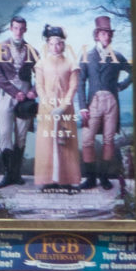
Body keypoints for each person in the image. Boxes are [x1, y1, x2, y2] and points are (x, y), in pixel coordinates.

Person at [77, 16, 132, 194]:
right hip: (93, 103)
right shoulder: (87, 56)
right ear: (97, 35)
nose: (106, 37)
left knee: (109, 140)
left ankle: (104, 177)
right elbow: (80, 82)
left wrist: (121, 86)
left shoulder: (117, 56)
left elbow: (133, 71)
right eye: (102, 33)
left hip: (112, 103)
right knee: (87, 139)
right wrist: (83, 106)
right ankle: (90, 178)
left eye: (108, 34)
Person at [31, 24, 82, 193]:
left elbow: (73, 87)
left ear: (63, 44)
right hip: (47, 109)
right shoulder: (41, 64)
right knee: (46, 142)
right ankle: (47, 179)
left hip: (65, 108)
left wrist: (63, 106)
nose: (55, 47)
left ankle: (67, 180)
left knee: (65, 142)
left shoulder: (71, 63)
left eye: (58, 43)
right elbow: (39, 86)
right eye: (52, 44)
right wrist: (47, 105)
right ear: (47, 44)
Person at [0, 17, 37, 190]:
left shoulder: (32, 50)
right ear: (11, 28)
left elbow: (41, 74)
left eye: (21, 28)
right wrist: (14, 92)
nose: (18, 31)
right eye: (15, 28)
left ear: (25, 30)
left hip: (26, 97)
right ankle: (7, 174)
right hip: (7, 94)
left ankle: (16, 174)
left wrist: (34, 91)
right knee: (5, 134)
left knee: (21, 136)